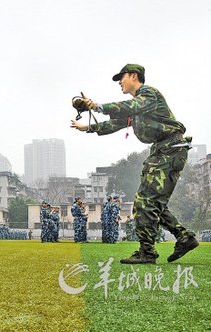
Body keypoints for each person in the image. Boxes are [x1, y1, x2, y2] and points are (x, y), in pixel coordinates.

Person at [71, 63, 199, 264]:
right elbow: (115, 123)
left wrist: (96, 106)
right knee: (152, 202)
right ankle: (184, 237)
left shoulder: (148, 94)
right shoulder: (136, 108)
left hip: (170, 149)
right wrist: (87, 128)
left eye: (121, 78)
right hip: (163, 151)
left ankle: (147, 253)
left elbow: (129, 107)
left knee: (144, 202)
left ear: (133, 76)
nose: (119, 82)